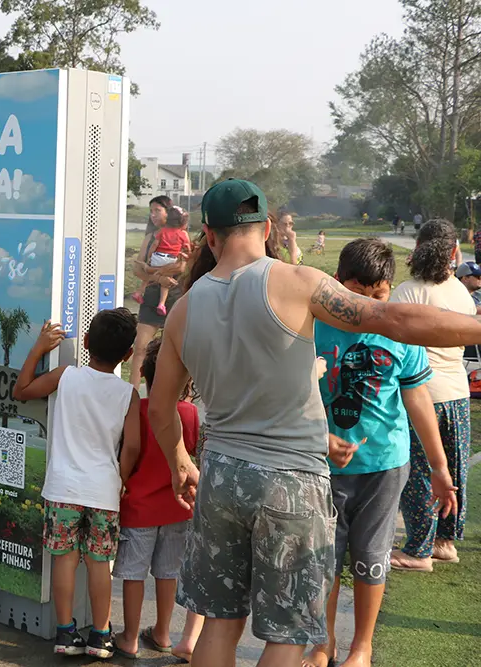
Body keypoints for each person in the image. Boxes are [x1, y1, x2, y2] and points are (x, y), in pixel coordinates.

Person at [148, 179, 481, 667]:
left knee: (219, 625)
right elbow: (395, 321)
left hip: (220, 476)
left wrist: (180, 460)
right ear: (265, 228)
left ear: (209, 236)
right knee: (288, 635)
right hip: (290, 482)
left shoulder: (184, 308)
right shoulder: (295, 281)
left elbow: (161, 408)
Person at [305, 238, 457, 667]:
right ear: (337, 283)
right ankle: (323, 643)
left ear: (390, 290)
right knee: (323, 560)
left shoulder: (399, 330)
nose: (369, 307)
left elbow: (418, 400)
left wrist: (440, 467)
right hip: (321, 466)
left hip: (385, 467)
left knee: (371, 558)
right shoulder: (312, 324)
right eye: (357, 294)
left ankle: (361, 648)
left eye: (379, 297)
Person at [13, 311, 141, 659]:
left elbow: (21, 390)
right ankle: (100, 635)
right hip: (104, 491)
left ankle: (66, 633)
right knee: (100, 563)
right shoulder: (128, 394)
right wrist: (122, 478)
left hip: (63, 489)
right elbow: (131, 447)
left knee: (64, 560)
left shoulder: (65, 376)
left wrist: (38, 349)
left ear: (85, 343)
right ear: (127, 355)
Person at [391, 219, 476, 572]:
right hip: (458, 392)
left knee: (421, 471)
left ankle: (418, 549)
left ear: (417, 248)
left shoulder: (407, 292)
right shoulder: (460, 292)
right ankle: (445, 542)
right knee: (453, 469)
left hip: (421, 394)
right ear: (454, 252)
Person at [113, 338, 203, 663]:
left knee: (134, 574)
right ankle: (163, 632)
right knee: (168, 573)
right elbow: (190, 456)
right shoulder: (191, 413)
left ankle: (129, 637)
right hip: (177, 508)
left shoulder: (138, 409)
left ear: (146, 375)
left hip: (139, 507)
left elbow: (129, 451)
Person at [129, 196, 187, 389]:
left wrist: (151, 271)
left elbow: (181, 267)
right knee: (141, 348)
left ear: (168, 212)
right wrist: (159, 278)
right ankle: (133, 395)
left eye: (157, 210)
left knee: (179, 351)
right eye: (150, 211)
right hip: (152, 297)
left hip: (175, 297)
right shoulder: (150, 238)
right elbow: (138, 270)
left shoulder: (181, 235)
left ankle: (178, 398)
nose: (152, 215)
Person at [144, 206, 192, 316]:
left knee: (149, 271)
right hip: (171, 259)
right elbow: (187, 249)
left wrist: (149, 257)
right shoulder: (183, 234)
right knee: (166, 281)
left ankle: (140, 291)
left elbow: (155, 245)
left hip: (158, 257)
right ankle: (162, 303)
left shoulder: (162, 231)